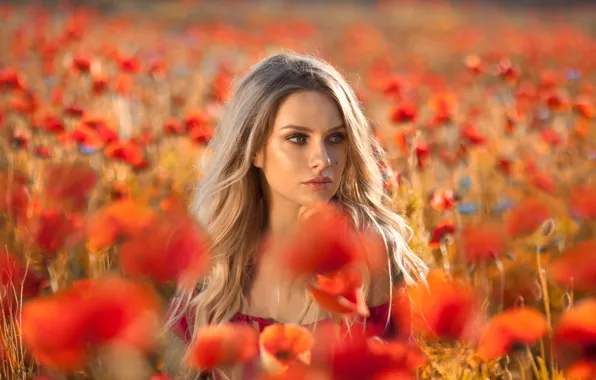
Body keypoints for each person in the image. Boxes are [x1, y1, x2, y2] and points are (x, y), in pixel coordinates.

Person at [164, 51, 427, 379]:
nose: (322, 159)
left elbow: (399, 369)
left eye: (335, 138)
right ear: (255, 149)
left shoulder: (369, 251)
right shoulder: (211, 256)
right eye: (297, 138)